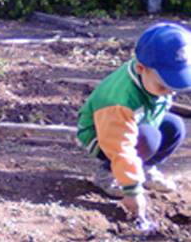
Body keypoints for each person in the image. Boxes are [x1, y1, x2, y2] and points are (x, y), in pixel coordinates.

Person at [77, 22, 191, 221]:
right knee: (149, 137)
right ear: (140, 68)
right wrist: (132, 190)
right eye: (164, 85)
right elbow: (120, 146)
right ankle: (107, 173)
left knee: (175, 127)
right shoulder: (118, 102)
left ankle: (145, 169)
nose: (170, 92)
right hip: (103, 136)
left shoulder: (151, 74)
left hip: (137, 122)